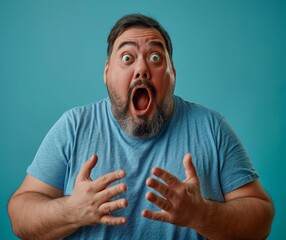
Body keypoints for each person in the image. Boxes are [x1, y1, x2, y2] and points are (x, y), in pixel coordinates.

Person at [8, 14, 274, 240]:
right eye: (127, 57)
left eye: (156, 57)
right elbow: (19, 214)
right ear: (106, 71)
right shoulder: (74, 126)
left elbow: (262, 218)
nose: (142, 69)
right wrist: (71, 211)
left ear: (173, 74)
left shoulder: (212, 128)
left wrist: (201, 214)